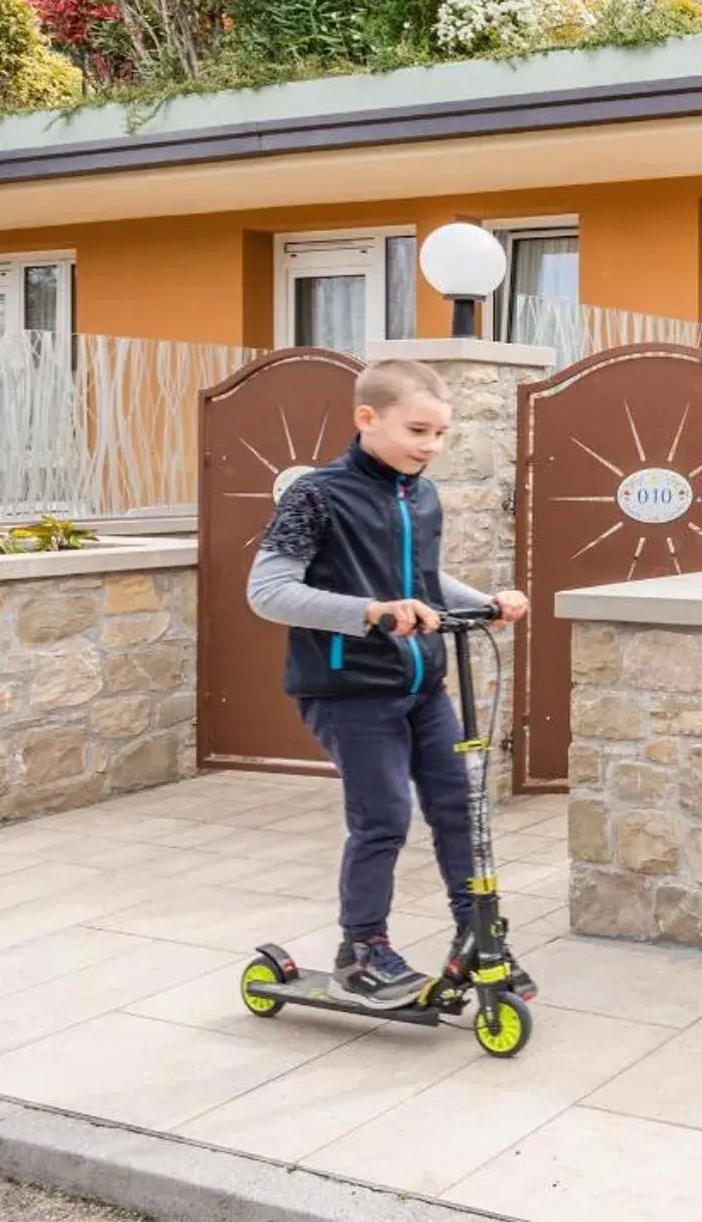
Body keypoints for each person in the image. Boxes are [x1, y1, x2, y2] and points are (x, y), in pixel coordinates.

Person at [246, 358, 531, 1008]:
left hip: (422, 683)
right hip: (348, 689)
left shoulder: (419, 492)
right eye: (417, 431)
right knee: (383, 820)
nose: (430, 447)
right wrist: (369, 614)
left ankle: (478, 938)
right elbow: (267, 592)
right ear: (366, 419)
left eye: (439, 434)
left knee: (460, 810)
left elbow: (424, 586)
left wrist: (485, 600)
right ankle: (361, 949)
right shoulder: (317, 494)